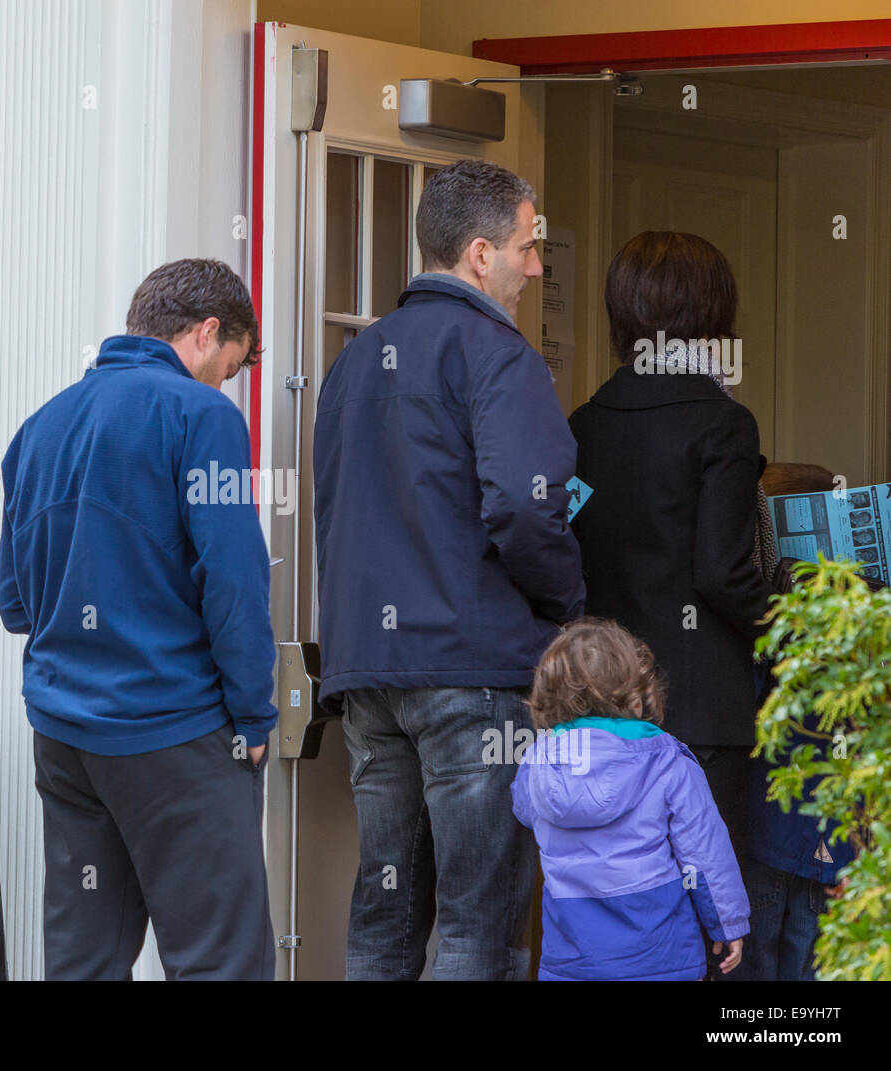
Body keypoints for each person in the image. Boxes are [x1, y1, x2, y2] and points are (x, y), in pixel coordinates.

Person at [313, 158, 585, 981]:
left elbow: (335, 508)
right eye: (527, 249)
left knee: (385, 913)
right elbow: (528, 505)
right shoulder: (500, 354)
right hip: (473, 670)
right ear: (478, 253)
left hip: (369, 672)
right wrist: (568, 606)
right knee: (480, 921)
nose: (537, 268)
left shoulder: (355, 360)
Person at [0, 258, 278, 980]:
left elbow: (13, 603)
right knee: (220, 960)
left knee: (85, 960)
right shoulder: (202, 415)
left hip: (65, 738)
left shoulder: (39, 428)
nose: (225, 382)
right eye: (232, 364)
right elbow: (236, 582)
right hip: (174, 732)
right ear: (208, 331)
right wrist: (252, 718)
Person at [568, 232, 775, 867]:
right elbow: (723, 574)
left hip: (601, 708)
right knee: (710, 918)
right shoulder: (723, 425)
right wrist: (796, 622)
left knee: (617, 906)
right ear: (712, 314)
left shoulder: (581, 425)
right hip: (701, 714)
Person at [512, 618, 750, 981]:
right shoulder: (667, 758)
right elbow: (704, 854)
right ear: (636, 692)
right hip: (661, 957)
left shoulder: (539, 760)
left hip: (573, 960)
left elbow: (524, 810)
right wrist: (727, 923)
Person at [733, 461, 858, 981]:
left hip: (766, 834)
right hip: (824, 842)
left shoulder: (757, 620)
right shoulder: (853, 630)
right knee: (807, 968)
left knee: (756, 963)